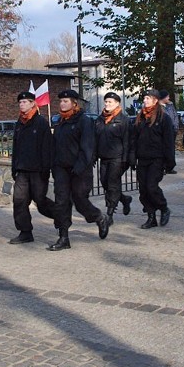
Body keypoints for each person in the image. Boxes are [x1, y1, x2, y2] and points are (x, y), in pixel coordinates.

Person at [48, 89, 109, 250]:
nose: (62, 104)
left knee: (80, 201)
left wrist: (80, 166)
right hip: (62, 169)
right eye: (61, 101)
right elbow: (55, 146)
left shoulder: (84, 121)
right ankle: (63, 237)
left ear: (74, 103)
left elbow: (87, 147)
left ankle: (99, 217)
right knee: (61, 202)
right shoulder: (60, 122)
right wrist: (54, 165)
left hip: (80, 170)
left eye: (66, 101)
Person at [9, 91, 55, 244]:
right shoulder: (19, 123)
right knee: (19, 201)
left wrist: (45, 170)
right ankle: (25, 232)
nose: (21, 105)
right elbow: (15, 147)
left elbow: (47, 148)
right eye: (20, 103)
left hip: (38, 170)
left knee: (40, 202)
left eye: (25, 102)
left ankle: (61, 215)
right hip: (22, 170)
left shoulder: (40, 122)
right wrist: (14, 167)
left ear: (32, 104)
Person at [132, 89, 176, 227]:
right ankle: (151, 217)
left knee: (152, 187)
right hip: (142, 159)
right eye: (144, 98)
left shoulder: (164, 118)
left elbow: (169, 142)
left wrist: (169, 162)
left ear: (155, 100)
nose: (144, 101)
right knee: (143, 190)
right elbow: (134, 139)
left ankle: (164, 208)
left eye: (147, 98)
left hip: (157, 159)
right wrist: (132, 157)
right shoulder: (140, 118)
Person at [94, 92, 134, 225]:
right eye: (106, 101)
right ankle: (124, 199)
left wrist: (126, 159)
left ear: (117, 104)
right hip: (104, 157)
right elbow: (95, 139)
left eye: (110, 102)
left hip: (117, 158)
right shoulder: (100, 119)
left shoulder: (123, 120)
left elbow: (128, 141)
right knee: (104, 182)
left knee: (112, 184)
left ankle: (110, 214)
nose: (107, 104)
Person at [158, 90, 179, 173]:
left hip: (173, 130)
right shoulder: (159, 107)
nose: (169, 98)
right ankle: (162, 166)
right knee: (164, 149)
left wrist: (176, 127)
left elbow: (175, 116)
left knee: (171, 149)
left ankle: (170, 166)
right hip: (165, 131)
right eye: (167, 96)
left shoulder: (170, 105)